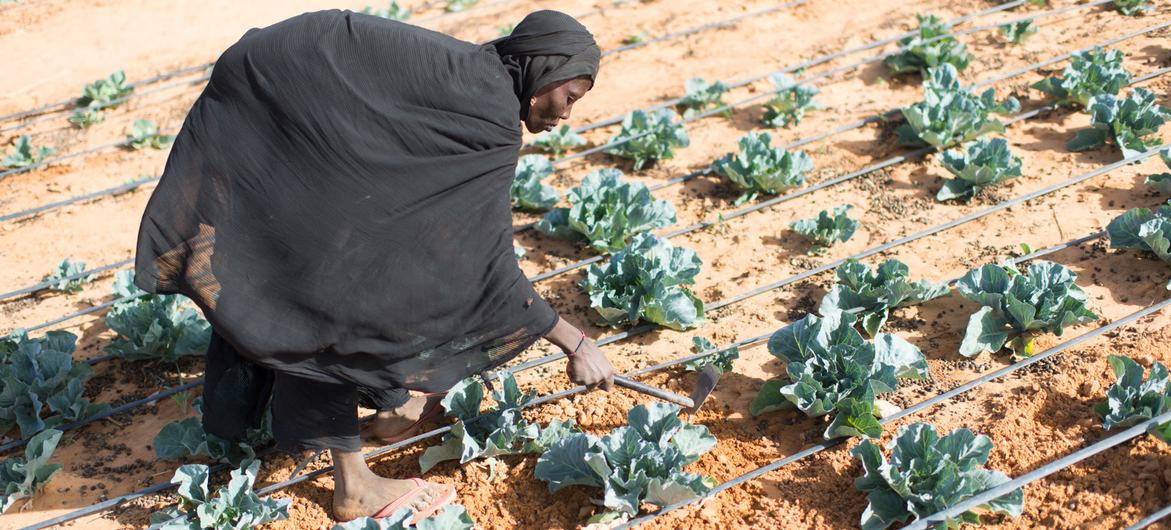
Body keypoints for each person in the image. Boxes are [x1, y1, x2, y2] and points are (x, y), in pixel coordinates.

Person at [131, 9, 615, 522]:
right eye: (569, 98)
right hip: (277, 98)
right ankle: (354, 485)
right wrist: (572, 340)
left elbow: (435, 234)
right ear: (541, 77)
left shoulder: (478, 77)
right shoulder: (491, 115)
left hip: (288, 86)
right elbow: (488, 264)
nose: (566, 115)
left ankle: (390, 402)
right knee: (326, 294)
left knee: (378, 256)